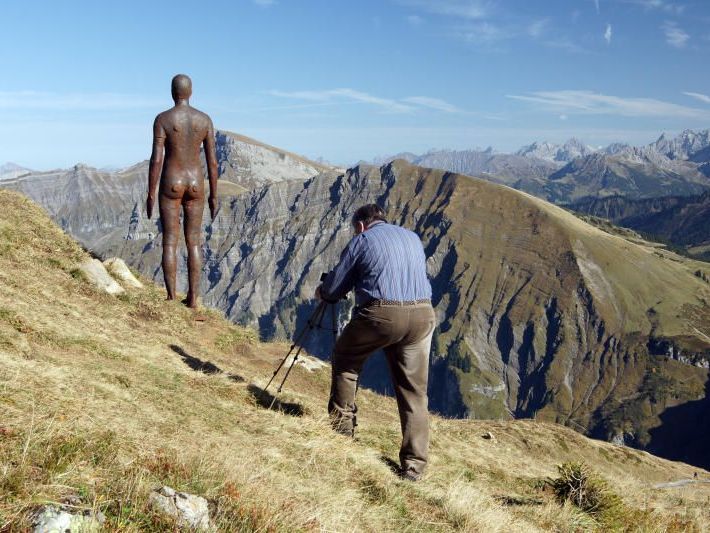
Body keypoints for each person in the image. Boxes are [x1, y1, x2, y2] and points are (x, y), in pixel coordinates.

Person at [316, 204, 435, 481]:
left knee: (345, 361)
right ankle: (414, 467)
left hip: (383, 313)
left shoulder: (362, 240)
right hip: (423, 314)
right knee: (414, 392)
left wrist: (323, 291)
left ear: (360, 225)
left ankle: (341, 433)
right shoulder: (412, 237)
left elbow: (335, 289)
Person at [146, 74, 218, 308]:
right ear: (191, 91)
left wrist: (150, 192)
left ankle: (170, 296)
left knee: (170, 242)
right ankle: (193, 300)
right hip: (196, 182)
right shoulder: (204, 120)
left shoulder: (163, 119)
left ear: (172, 92)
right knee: (194, 242)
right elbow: (212, 161)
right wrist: (214, 195)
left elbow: (157, 159)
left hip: (172, 181)